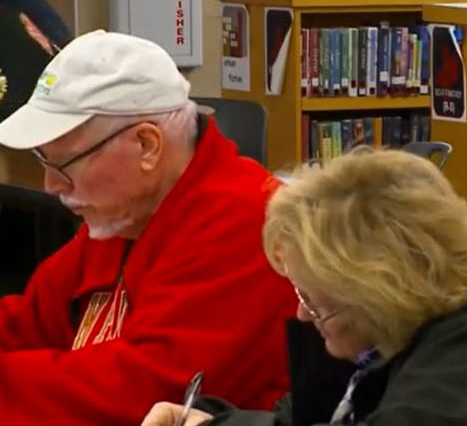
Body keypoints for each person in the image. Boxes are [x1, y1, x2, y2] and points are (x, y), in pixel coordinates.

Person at [141, 149, 467, 426]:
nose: (303, 314)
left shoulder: (464, 378)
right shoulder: (430, 308)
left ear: (375, 292)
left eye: (315, 300)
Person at [0, 30, 295, 425]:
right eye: (43, 160)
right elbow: (28, 324)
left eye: (63, 164)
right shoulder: (126, 214)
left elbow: (142, 391)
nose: (51, 185)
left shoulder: (251, 223)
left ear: (146, 145)